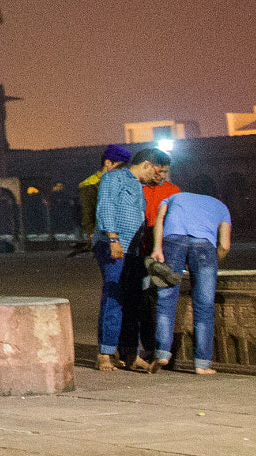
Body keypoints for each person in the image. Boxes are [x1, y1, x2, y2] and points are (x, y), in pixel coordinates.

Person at [93, 148, 166, 370]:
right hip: (113, 245)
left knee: (133, 301)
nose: (159, 177)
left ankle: (129, 354)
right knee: (114, 296)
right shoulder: (114, 177)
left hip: (133, 250)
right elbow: (106, 206)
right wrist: (113, 239)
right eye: (158, 171)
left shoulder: (138, 185)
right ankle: (105, 354)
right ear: (145, 164)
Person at [155, 187, 233, 375]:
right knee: (205, 306)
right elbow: (224, 245)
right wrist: (210, 264)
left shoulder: (172, 197)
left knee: (166, 298)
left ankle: (162, 354)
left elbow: (159, 221)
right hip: (204, 244)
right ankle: (202, 364)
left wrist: (157, 248)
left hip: (173, 239)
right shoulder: (222, 207)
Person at [124, 159, 183, 372]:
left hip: (160, 253)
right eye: (161, 172)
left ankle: (158, 350)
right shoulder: (139, 187)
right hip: (140, 251)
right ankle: (144, 348)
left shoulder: (172, 190)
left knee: (158, 301)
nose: (163, 176)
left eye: (167, 172)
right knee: (140, 301)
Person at [74, 144, 132, 256]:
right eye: (121, 167)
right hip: (105, 239)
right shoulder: (89, 185)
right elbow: (88, 215)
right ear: (108, 163)